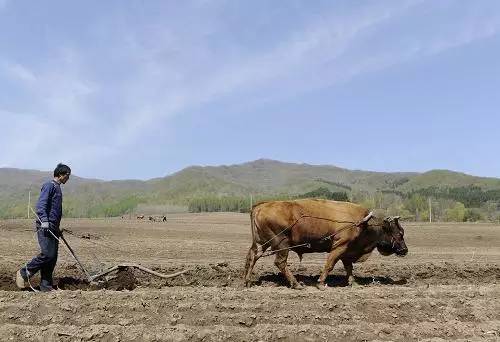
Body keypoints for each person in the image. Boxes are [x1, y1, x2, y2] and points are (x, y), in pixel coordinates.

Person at [16, 163, 71, 291]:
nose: (68, 178)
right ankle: (24, 272)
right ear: (61, 174)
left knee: (52, 258)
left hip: (53, 227)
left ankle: (45, 286)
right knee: (47, 254)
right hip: (44, 226)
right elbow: (41, 205)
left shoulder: (57, 187)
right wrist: (44, 221)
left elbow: (54, 210)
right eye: (67, 175)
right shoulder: (49, 185)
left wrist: (57, 228)